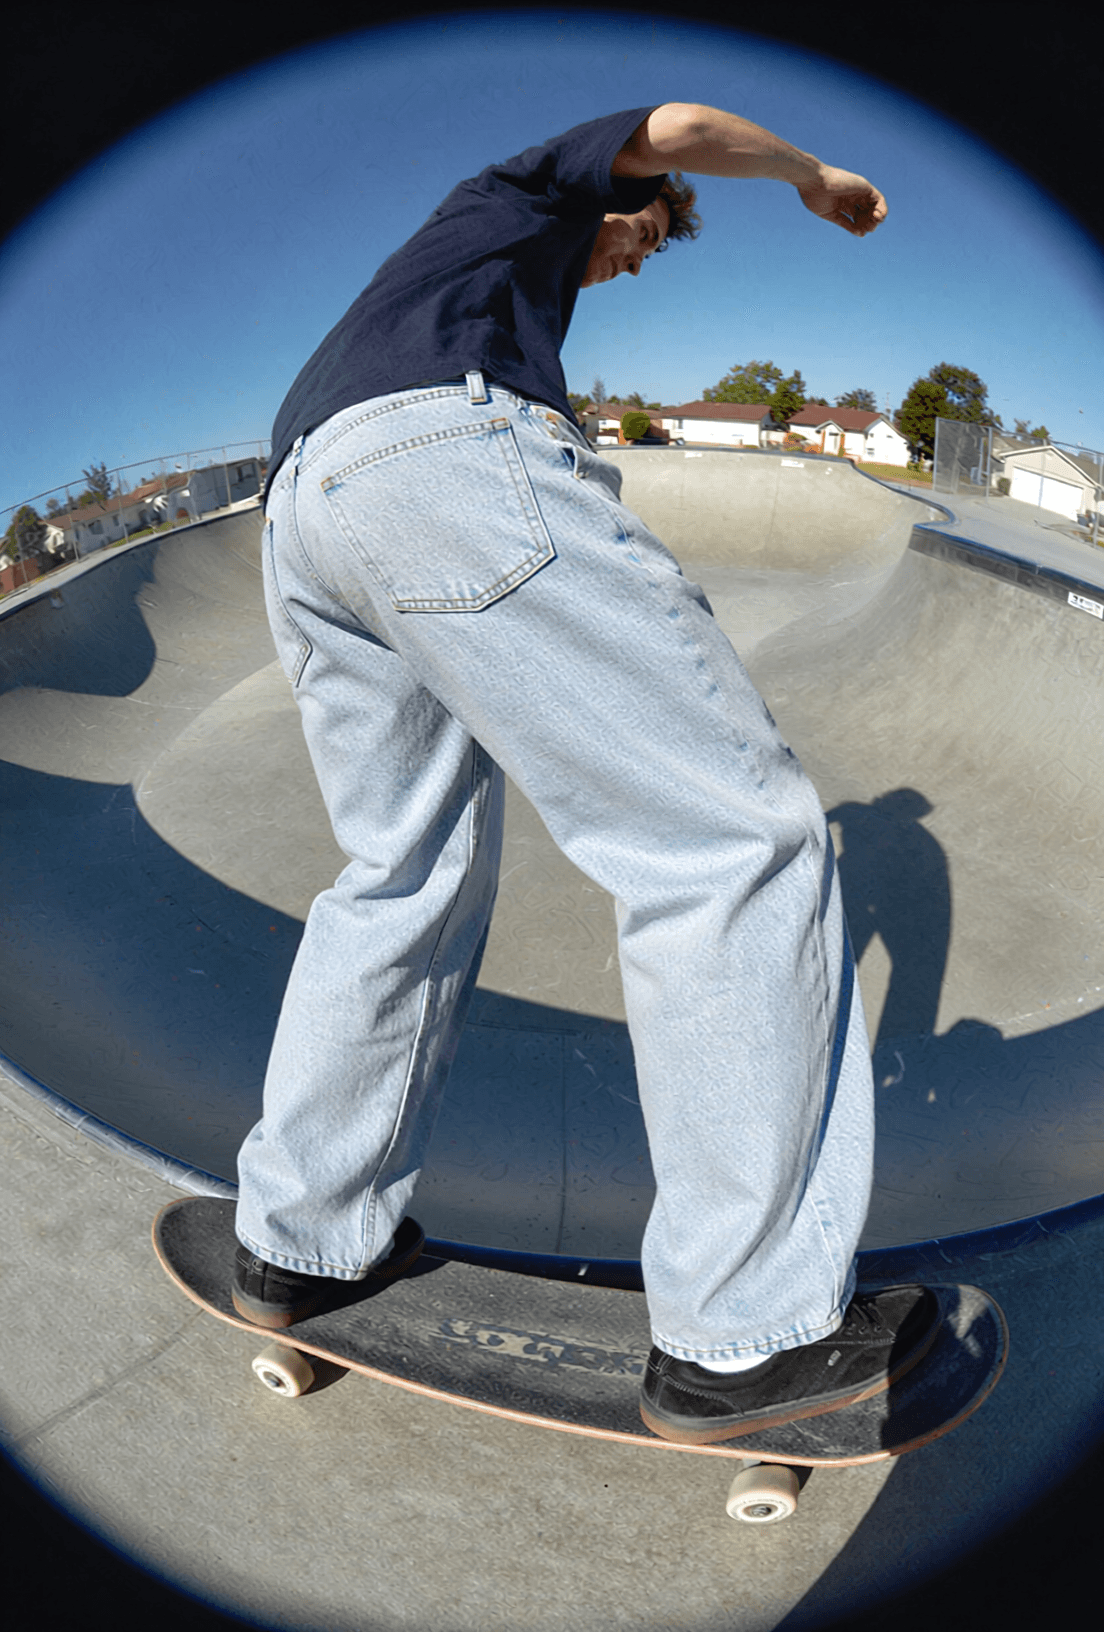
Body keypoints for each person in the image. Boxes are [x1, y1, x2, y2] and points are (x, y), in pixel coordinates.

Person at [232, 103, 940, 1444]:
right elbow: (676, 122)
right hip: (444, 461)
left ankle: (303, 1241)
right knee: (729, 838)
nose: (631, 262)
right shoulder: (530, 195)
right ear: (620, 201)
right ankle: (747, 1334)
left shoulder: (450, 278)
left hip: (305, 510)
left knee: (401, 873)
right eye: (643, 238)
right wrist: (812, 173)